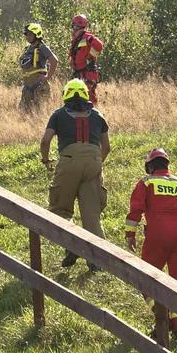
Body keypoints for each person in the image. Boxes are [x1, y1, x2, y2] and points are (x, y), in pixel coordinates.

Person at [124, 148, 177, 342]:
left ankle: (162, 315)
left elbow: (136, 209)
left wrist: (130, 234)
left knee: (146, 278)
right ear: (167, 164)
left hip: (157, 237)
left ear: (150, 166)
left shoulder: (147, 182)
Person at [40, 79, 110, 272]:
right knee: (91, 215)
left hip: (69, 161)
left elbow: (45, 141)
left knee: (60, 209)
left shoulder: (59, 115)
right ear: (85, 95)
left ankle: (73, 244)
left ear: (66, 95)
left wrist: (46, 161)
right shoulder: (97, 115)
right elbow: (107, 147)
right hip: (94, 161)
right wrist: (95, 163)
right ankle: (98, 261)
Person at [19, 22, 58, 110]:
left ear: (37, 34)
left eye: (30, 34)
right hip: (27, 87)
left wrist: (48, 77)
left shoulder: (42, 47)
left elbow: (54, 61)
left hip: (39, 86)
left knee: (39, 112)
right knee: (23, 114)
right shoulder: (27, 49)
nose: (27, 36)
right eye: (26, 34)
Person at [69, 14, 104, 105]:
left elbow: (99, 45)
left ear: (76, 26)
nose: (73, 28)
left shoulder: (87, 37)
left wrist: (90, 57)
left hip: (87, 74)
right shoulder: (77, 39)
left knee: (89, 99)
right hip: (79, 74)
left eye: (74, 26)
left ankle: (94, 117)